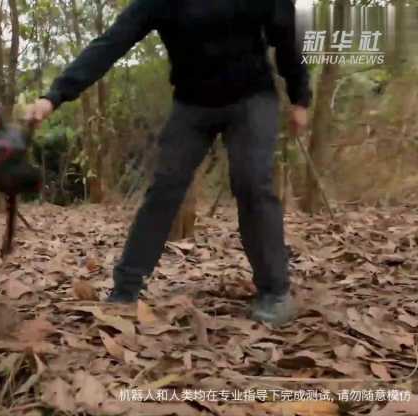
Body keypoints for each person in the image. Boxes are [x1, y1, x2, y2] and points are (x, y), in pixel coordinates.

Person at [24, 0, 311, 326]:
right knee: (164, 187)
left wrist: (300, 96)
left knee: (252, 181)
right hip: (192, 104)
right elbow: (111, 43)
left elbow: (287, 36)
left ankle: (275, 290)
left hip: (251, 97)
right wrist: (55, 95)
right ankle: (126, 289)